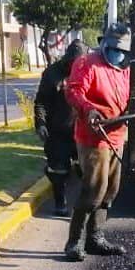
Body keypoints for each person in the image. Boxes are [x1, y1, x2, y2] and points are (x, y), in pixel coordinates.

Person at [62, 23, 133, 262]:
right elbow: (73, 91)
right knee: (93, 189)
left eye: (121, 50)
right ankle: (74, 241)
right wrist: (89, 110)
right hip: (94, 137)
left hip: (117, 135)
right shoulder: (87, 63)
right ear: (105, 44)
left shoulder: (125, 68)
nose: (117, 53)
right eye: (113, 48)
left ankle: (95, 238)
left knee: (110, 190)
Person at [34, 38, 86, 217]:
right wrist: (40, 123)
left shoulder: (90, 71)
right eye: (72, 62)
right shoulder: (52, 74)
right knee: (58, 169)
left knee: (88, 170)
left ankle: (88, 203)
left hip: (84, 130)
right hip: (58, 131)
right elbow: (41, 102)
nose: (75, 66)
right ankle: (60, 201)